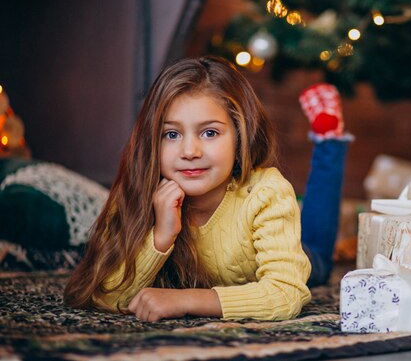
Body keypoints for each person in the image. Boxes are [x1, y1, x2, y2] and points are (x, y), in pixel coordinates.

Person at [63, 56, 351, 322]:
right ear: (152, 141)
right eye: (171, 134)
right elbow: (105, 295)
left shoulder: (265, 191)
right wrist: (162, 236)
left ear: (240, 134)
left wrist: (186, 300)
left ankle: (329, 141)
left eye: (210, 132)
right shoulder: (139, 192)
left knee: (318, 255)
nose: (190, 151)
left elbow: (286, 293)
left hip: (294, 254)